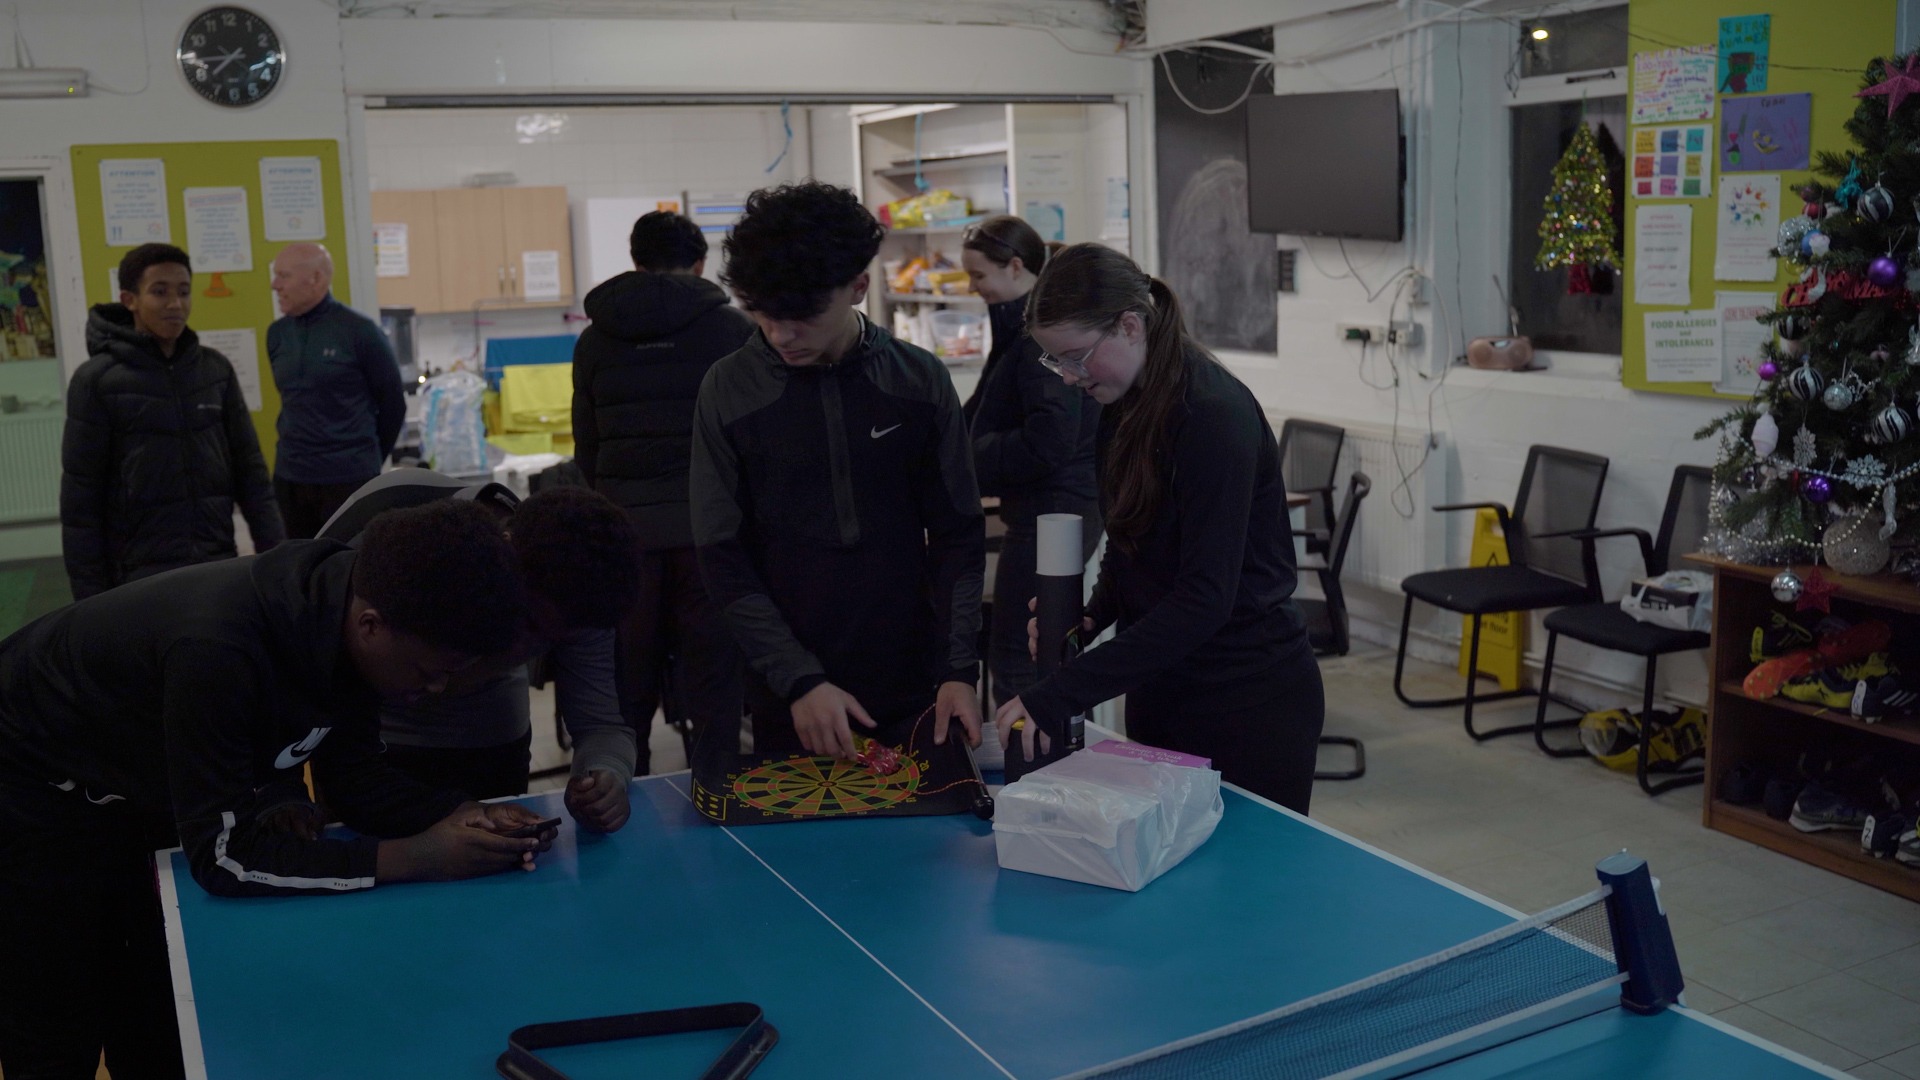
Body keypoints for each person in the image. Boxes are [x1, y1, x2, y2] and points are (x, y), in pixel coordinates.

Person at [0, 500, 556, 1080]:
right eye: (429, 672)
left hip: (129, 776)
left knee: (156, 1005)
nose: (438, 689)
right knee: (56, 1015)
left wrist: (463, 813)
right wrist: (418, 857)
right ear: (371, 626)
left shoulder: (354, 614)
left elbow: (356, 781)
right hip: (27, 781)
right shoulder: (219, 649)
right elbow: (224, 859)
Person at [991, 244, 1325, 813]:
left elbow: (1204, 599)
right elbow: (1129, 542)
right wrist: (1091, 617)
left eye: (1075, 357)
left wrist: (1060, 692)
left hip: (1248, 700)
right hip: (1164, 691)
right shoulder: (1121, 404)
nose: (1068, 377)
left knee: (1245, 866)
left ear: (1129, 325)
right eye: (1054, 361)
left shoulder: (1212, 414)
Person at [691, 181, 985, 760]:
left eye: (803, 315)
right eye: (763, 314)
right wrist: (799, 679)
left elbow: (958, 534)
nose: (781, 335)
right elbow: (722, 556)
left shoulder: (917, 380)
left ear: (858, 286)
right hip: (790, 696)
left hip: (914, 684)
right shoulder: (729, 390)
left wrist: (959, 670)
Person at [319, 474, 644, 830]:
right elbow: (299, 641)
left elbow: (602, 725)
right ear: (504, 549)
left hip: (487, 746)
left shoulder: (584, 592)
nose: (521, 646)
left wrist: (606, 776)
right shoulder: (391, 507)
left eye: (547, 640)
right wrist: (283, 792)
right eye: (528, 622)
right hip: (364, 744)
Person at [574, 211, 753, 772]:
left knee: (628, 686)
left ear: (635, 261)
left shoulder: (595, 339)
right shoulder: (731, 331)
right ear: (700, 263)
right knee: (714, 686)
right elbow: (752, 440)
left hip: (627, 538)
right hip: (709, 536)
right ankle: (719, 794)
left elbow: (587, 445)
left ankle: (624, 797)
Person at [61, 243, 286, 602]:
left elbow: (251, 474)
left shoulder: (215, 370)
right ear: (130, 300)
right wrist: (90, 600)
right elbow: (81, 503)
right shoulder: (96, 381)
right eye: (159, 292)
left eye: (183, 291)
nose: (175, 304)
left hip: (216, 564)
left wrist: (277, 560)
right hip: (138, 577)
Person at [959, 215, 1102, 714]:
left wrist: (971, 458)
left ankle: (1038, 755)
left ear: (1016, 267)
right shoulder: (1019, 330)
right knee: (1032, 652)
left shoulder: (1037, 335)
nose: (972, 287)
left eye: (979, 275)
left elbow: (1050, 440)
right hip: (1048, 508)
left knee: (1023, 657)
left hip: (1054, 512)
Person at [267, 242, 406, 538]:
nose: (274, 285)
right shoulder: (277, 335)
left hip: (350, 479)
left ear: (316, 279)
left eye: (283, 276)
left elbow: (393, 405)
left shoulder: (360, 331)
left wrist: (366, 460)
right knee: (299, 563)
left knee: (350, 562)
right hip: (291, 478)